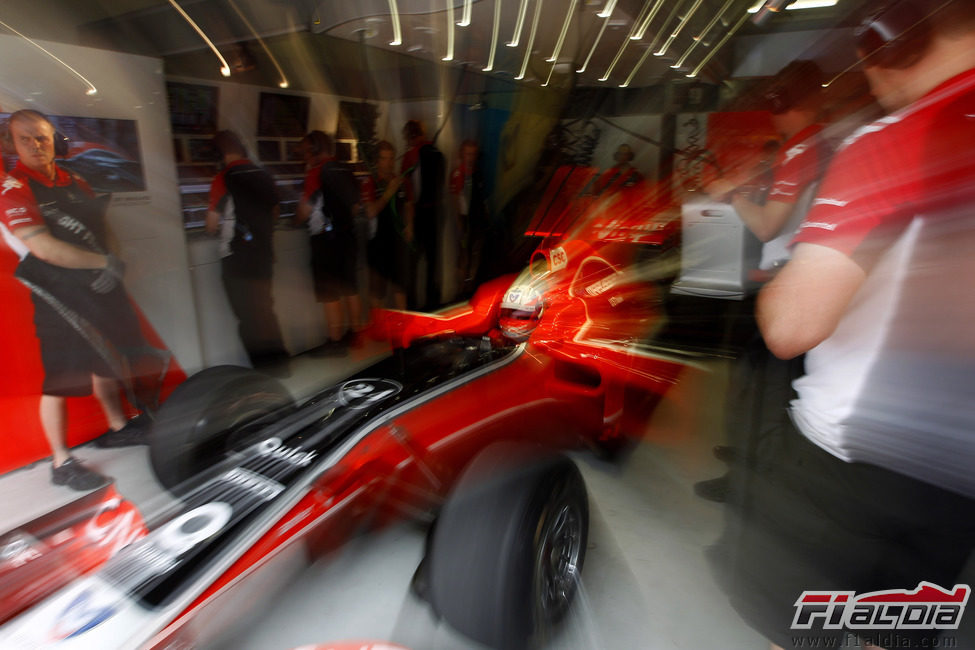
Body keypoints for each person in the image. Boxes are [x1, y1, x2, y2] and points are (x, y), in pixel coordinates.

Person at [713, 2, 975, 648]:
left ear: (893, 40)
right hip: (956, 477)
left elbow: (791, 323)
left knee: (797, 628)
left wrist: (737, 205)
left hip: (848, 460)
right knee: (891, 630)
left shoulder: (890, 141)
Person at [695, 60, 832, 503]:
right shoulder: (825, 144)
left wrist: (732, 196)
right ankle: (749, 464)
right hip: (803, 280)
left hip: (787, 282)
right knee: (763, 386)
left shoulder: (800, 149)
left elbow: (769, 226)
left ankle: (748, 482)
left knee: (759, 391)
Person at [0, 109, 148, 490]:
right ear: (10, 144)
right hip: (56, 295)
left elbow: (104, 226)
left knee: (106, 360)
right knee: (62, 380)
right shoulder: (13, 188)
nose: (36, 145)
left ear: (54, 140)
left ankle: (118, 426)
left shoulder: (76, 180)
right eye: (26, 138)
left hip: (98, 287)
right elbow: (44, 248)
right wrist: (106, 263)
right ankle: (61, 461)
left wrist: (113, 264)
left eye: (42, 137)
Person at [207, 130, 288, 372]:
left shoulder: (223, 179)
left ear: (220, 155)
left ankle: (264, 369)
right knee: (265, 309)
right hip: (263, 253)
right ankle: (282, 364)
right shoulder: (264, 175)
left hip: (236, 257)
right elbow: (275, 212)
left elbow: (211, 225)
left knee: (247, 316)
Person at [295, 130, 363, 354]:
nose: (304, 155)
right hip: (348, 236)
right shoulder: (346, 169)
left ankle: (335, 342)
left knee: (330, 293)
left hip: (325, 239)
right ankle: (357, 336)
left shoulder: (316, 173)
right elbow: (355, 206)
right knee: (350, 288)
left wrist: (295, 219)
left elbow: (304, 212)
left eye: (305, 151)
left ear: (314, 150)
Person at [362, 140, 412, 311]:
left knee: (400, 288)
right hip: (378, 244)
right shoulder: (370, 183)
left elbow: (408, 204)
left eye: (391, 158)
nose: (389, 163)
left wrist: (409, 224)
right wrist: (389, 192)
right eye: (384, 159)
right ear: (377, 161)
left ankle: (403, 331)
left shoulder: (402, 181)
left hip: (398, 243)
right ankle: (379, 332)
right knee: (377, 292)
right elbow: (370, 212)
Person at [401, 120, 445, 311]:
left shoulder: (411, 156)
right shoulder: (439, 155)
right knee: (433, 262)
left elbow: (409, 193)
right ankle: (432, 305)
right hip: (436, 213)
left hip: (418, 214)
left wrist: (409, 224)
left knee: (411, 264)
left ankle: (411, 306)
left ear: (409, 136)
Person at [449, 139, 488, 299]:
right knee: (464, 254)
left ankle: (471, 286)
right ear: (462, 154)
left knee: (476, 252)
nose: (470, 157)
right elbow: (455, 199)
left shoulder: (478, 172)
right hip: (464, 219)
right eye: (467, 154)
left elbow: (483, 198)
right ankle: (461, 289)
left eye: (473, 154)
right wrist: (459, 221)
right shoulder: (458, 174)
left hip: (477, 219)